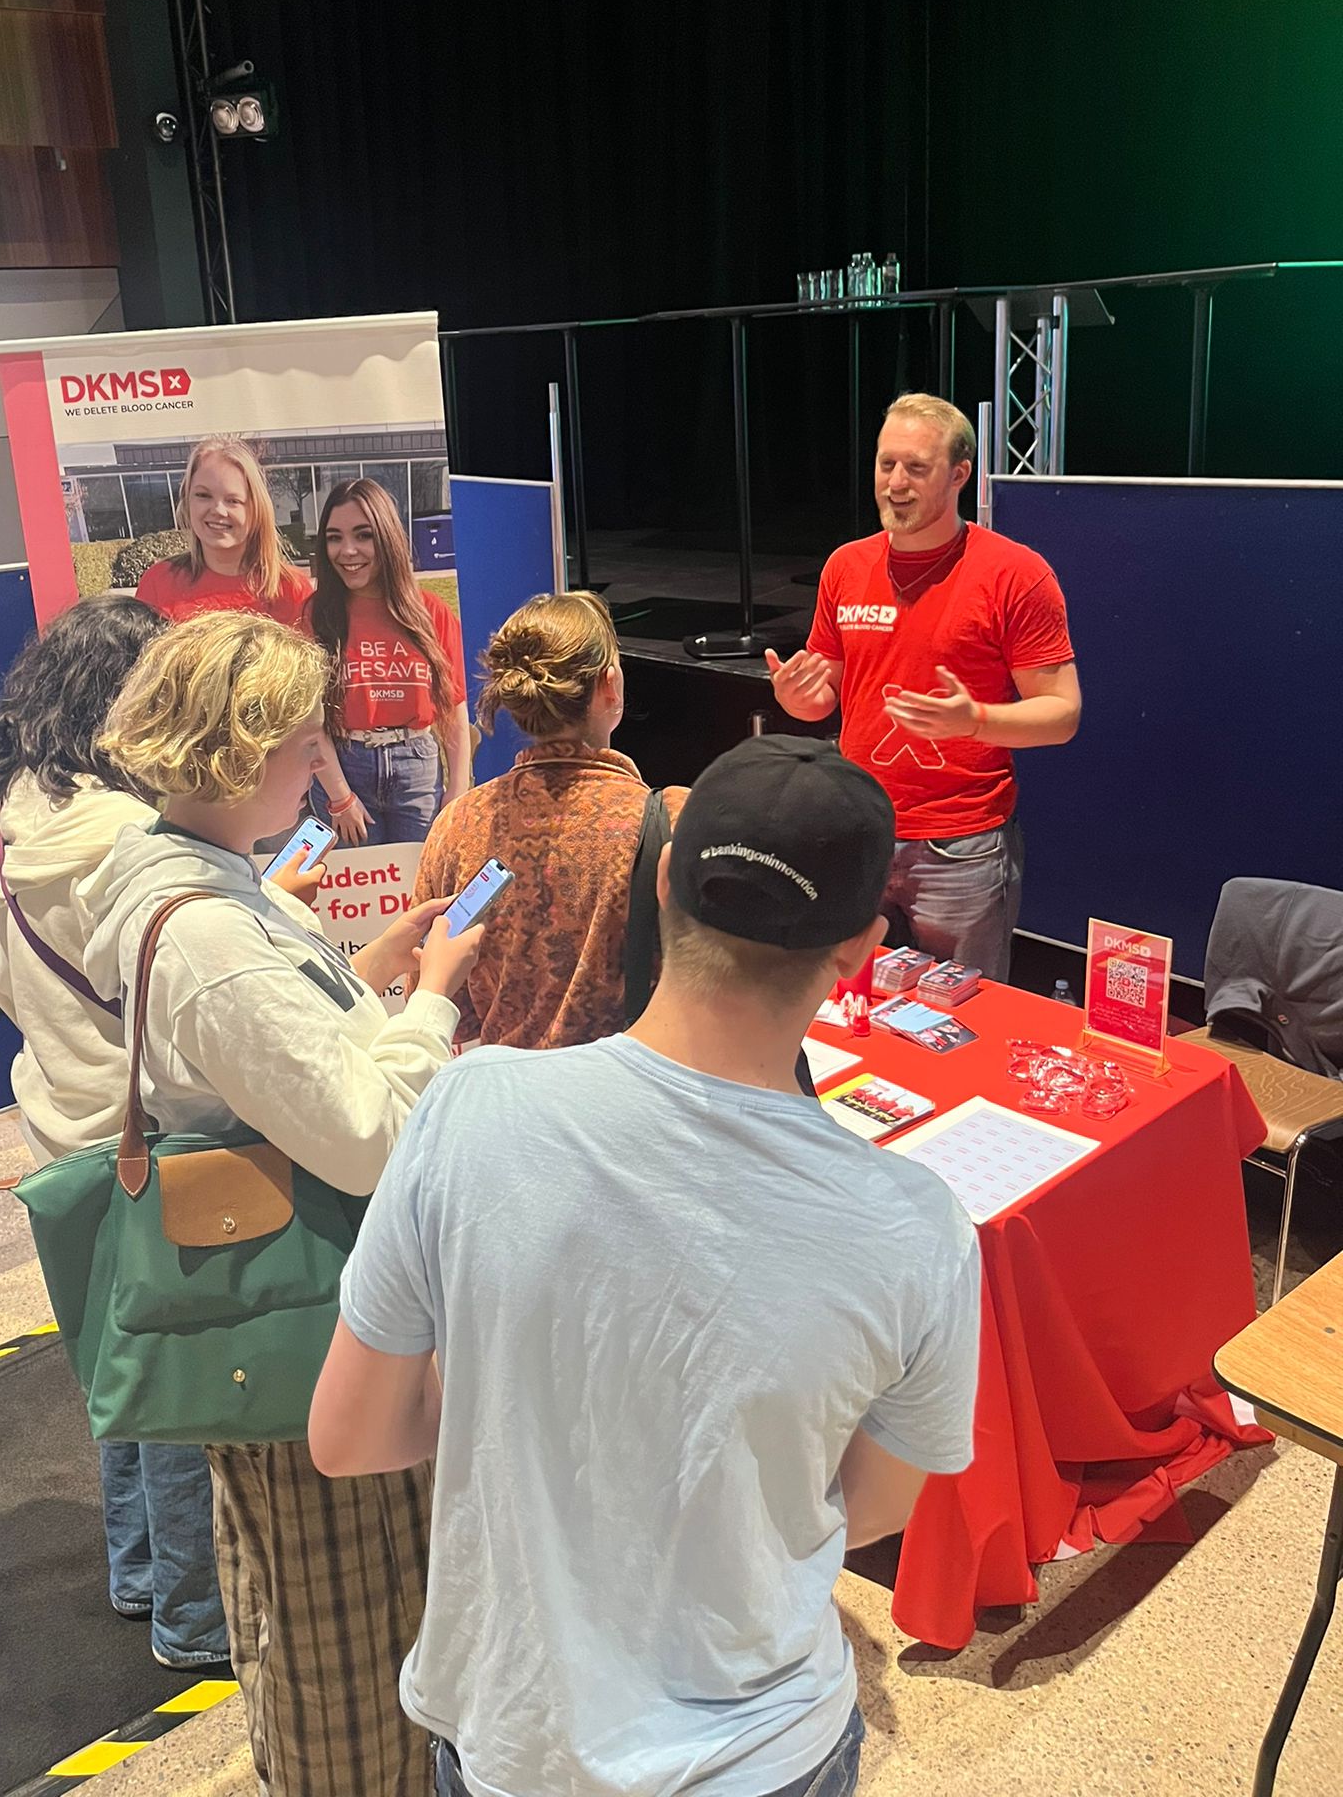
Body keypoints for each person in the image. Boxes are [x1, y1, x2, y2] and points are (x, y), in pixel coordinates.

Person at [311, 735, 982, 1797]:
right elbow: (871, 1504)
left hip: (513, 1736)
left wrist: (520, 1383)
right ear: (860, 945)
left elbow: (348, 1435)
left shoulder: (472, 1107)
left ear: (664, 877)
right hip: (768, 1750)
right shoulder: (920, 1225)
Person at [81, 612, 481, 1797]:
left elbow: (274, 1066)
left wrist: (361, 981)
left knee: (307, 1580)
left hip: (290, 1305)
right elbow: (365, 1136)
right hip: (307, 1318)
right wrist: (438, 1000)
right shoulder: (211, 930)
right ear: (237, 751)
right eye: (305, 742)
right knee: (346, 1613)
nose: (320, 763)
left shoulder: (194, 878)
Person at [0, 592, 230, 1672]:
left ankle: (134, 1571)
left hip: (56, 1115)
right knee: (179, 1377)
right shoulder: (130, 833)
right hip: (149, 1128)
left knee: (117, 1357)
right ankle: (195, 1618)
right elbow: (172, 1001)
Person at [767, 392, 1081, 980]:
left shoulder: (1015, 573)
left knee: (963, 1023)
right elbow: (826, 689)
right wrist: (800, 699)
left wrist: (976, 721)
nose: (896, 483)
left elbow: (1062, 713)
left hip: (961, 847)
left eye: (917, 467)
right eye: (887, 465)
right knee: (852, 1009)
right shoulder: (846, 566)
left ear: (959, 474)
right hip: (860, 830)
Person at [414, 591, 687, 1048]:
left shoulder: (456, 827)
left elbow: (445, 1004)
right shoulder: (673, 823)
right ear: (611, 686)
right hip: (629, 1106)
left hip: (508, 1104)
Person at [307, 476, 472, 847]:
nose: (347, 550)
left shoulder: (431, 612)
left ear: (386, 536)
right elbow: (308, 717)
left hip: (418, 770)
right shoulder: (317, 615)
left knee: (423, 890)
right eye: (334, 537)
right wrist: (339, 796)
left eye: (363, 535)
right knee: (360, 898)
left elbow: (454, 710)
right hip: (345, 768)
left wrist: (458, 789)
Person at [135, 436, 311, 626]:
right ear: (187, 501)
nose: (218, 510)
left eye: (233, 500)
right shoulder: (158, 582)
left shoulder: (293, 590)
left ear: (256, 509)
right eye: (203, 495)